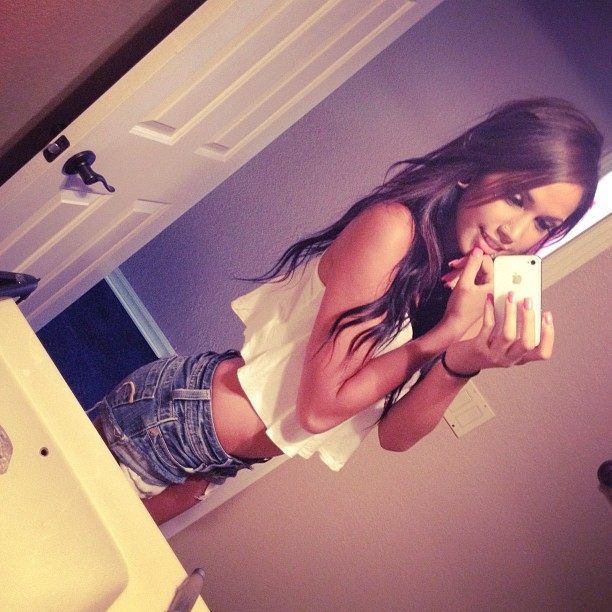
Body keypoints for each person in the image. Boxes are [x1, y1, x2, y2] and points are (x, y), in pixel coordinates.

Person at [92, 98, 603, 524]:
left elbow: (395, 436)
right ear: (474, 170)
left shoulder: (464, 289)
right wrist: (443, 333)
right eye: (515, 197)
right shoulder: (393, 229)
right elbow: (319, 410)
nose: (514, 233)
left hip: (216, 459)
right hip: (173, 421)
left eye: (542, 224)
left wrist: (464, 362)